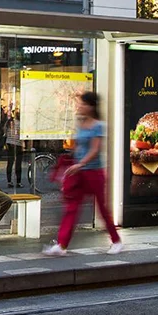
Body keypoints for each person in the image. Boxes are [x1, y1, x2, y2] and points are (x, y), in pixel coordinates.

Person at [43, 92, 121, 256]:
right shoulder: (80, 124)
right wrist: (71, 163)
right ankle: (62, 245)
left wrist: (81, 164)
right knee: (71, 207)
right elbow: (78, 147)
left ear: (91, 106)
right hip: (78, 172)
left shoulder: (98, 126)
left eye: (82, 104)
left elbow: (95, 149)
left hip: (93, 172)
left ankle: (116, 240)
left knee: (102, 209)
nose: (79, 106)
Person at [5, 111, 23, 188]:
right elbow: (21, 134)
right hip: (18, 144)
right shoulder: (20, 123)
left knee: (10, 163)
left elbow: (5, 133)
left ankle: (9, 181)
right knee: (18, 164)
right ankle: (18, 182)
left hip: (9, 143)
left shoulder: (8, 122)